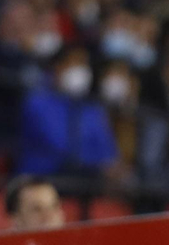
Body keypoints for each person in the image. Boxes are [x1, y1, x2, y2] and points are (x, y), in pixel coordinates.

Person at [18, 46, 119, 176]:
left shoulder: (92, 109)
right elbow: (59, 145)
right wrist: (97, 162)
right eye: (75, 62)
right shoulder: (37, 102)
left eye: (84, 64)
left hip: (84, 179)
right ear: (58, 67)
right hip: (42, 177)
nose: (81, 70)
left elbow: (107, 151)